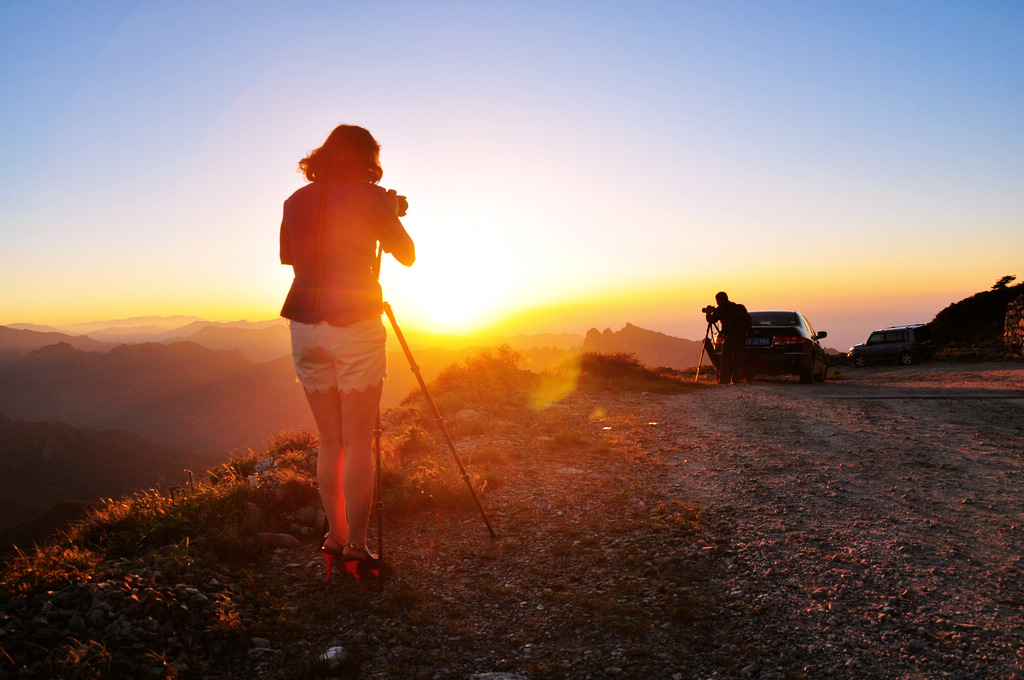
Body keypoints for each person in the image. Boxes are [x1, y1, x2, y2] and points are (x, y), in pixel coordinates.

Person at [279, 124, 415, 580]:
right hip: (354, 323)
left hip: (304, 325)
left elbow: (292, 259)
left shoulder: (294, 202)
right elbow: (408, 254)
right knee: (358, 442)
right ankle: (357, 547)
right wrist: (389, 212)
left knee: (330, 441)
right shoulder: (372, 198)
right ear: (365, 157)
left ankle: (334, 538)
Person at [707, 291, 751, 385]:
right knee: (739, 357)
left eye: (717, 301)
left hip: (731, 336)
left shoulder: (722, 308)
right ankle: (736, 378)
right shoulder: (736, 307)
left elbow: (711, 320)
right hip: (742, 335)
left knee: (726, 357)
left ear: (719, 300)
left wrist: (708, 313)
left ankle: (724, 379)